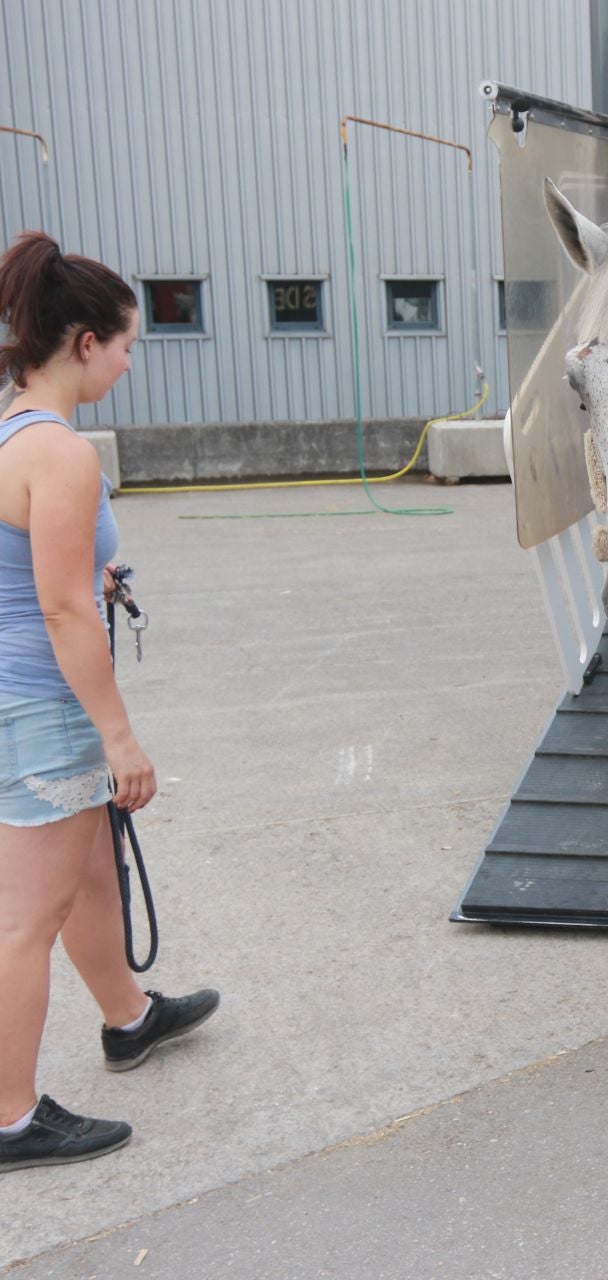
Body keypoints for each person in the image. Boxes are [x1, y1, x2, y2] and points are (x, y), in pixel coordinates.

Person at [0, 231, 218, 1173]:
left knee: (90, 874)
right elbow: (57, 607)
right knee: (25, 919)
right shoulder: (64, 455)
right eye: (127, 345)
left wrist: (99, 566)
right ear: (84, 341)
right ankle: (10, 1118)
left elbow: (40, 576)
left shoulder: (11, 430)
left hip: (19, 696)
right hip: (47, 707)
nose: (130, 362)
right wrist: (120, 738)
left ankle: (127, 1019)